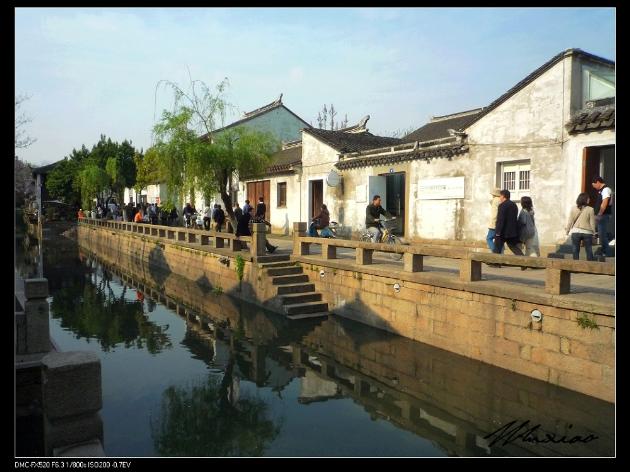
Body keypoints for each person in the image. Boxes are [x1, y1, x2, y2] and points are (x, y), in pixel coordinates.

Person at [493, 190, 524, 263]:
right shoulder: (514, 205)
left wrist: (498, 232)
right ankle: (524, 262)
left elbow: (500, 219)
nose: (500, 197)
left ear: (503, 196)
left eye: (500, 196)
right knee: (513, 247)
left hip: (502, 231)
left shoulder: (502, 205)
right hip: (512, 231)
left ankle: (496, 263)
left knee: (497, 247)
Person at [565, 192, 597, 261]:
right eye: (588, 199)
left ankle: (576, 267)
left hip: (576, 231)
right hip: (587, 232)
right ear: (584, 199)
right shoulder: (590, 209)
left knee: (575, 250)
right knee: (589, 250)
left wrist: (567, 231)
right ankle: (590, 266)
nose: (589, 200)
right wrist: (594, 233)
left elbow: (570, 221)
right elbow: (592, 223)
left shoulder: (573, 208)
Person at [592, 176, 614, 257]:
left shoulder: (606, 189)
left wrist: (599, 214)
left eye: (594, 185)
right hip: (602, 215)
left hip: (603, 216)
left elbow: (605, 203)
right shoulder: (602, 190)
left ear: (598, 182)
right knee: (600, 233)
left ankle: (607, 252)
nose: (594, 187)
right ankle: (609, 239)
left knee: (602, 234)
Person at [517, 196, 540, 267]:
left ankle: (524, 262)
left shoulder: (523, 211)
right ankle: (533, 262)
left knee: (518, 247)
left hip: (525, 232)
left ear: (523, 203)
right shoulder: (531, 211)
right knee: (529, 248)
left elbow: (522, 222)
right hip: (531, 231)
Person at [486, 188, 504, 253]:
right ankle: (501, 254)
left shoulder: (495, 200)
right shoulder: (501, 200)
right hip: (501, 223)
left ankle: (495, 252)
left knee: (489, 238)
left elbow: (494, 214)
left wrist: (492, 223)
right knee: (499, 240)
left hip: (495, 223)